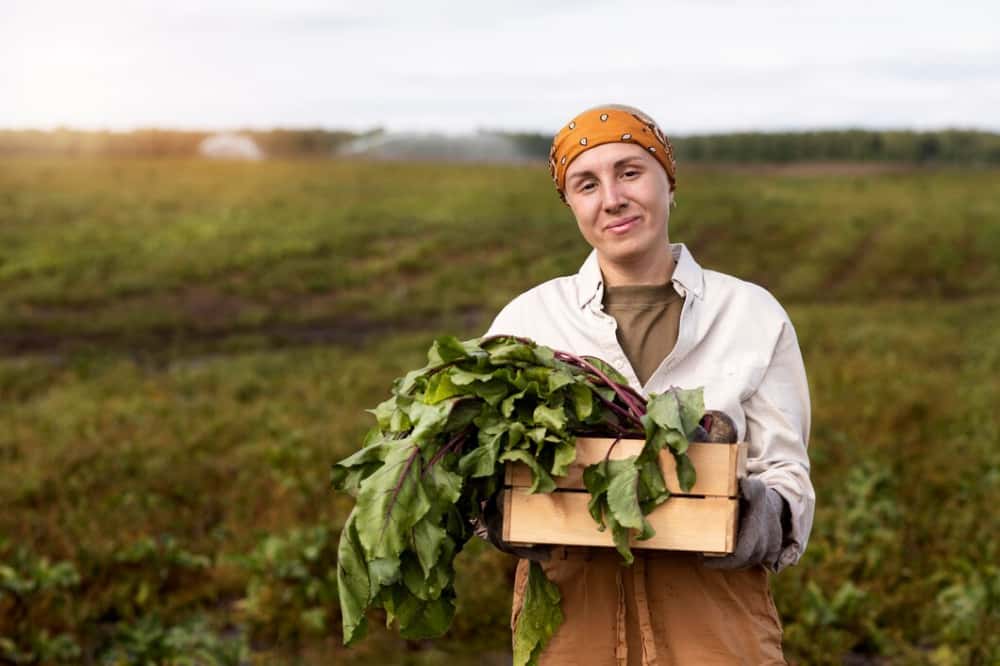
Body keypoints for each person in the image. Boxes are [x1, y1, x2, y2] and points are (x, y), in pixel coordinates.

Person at [483, 104, 814, 665]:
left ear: (668, 180)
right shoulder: (529, 321)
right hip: (569, 619)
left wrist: (735, 511)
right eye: (587, 184)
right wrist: (503, 513)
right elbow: (481, 465)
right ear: (572, 205)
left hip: (718, 621)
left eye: (630, 171)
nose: (612, 198)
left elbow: (788, 483)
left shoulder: (751, 314)